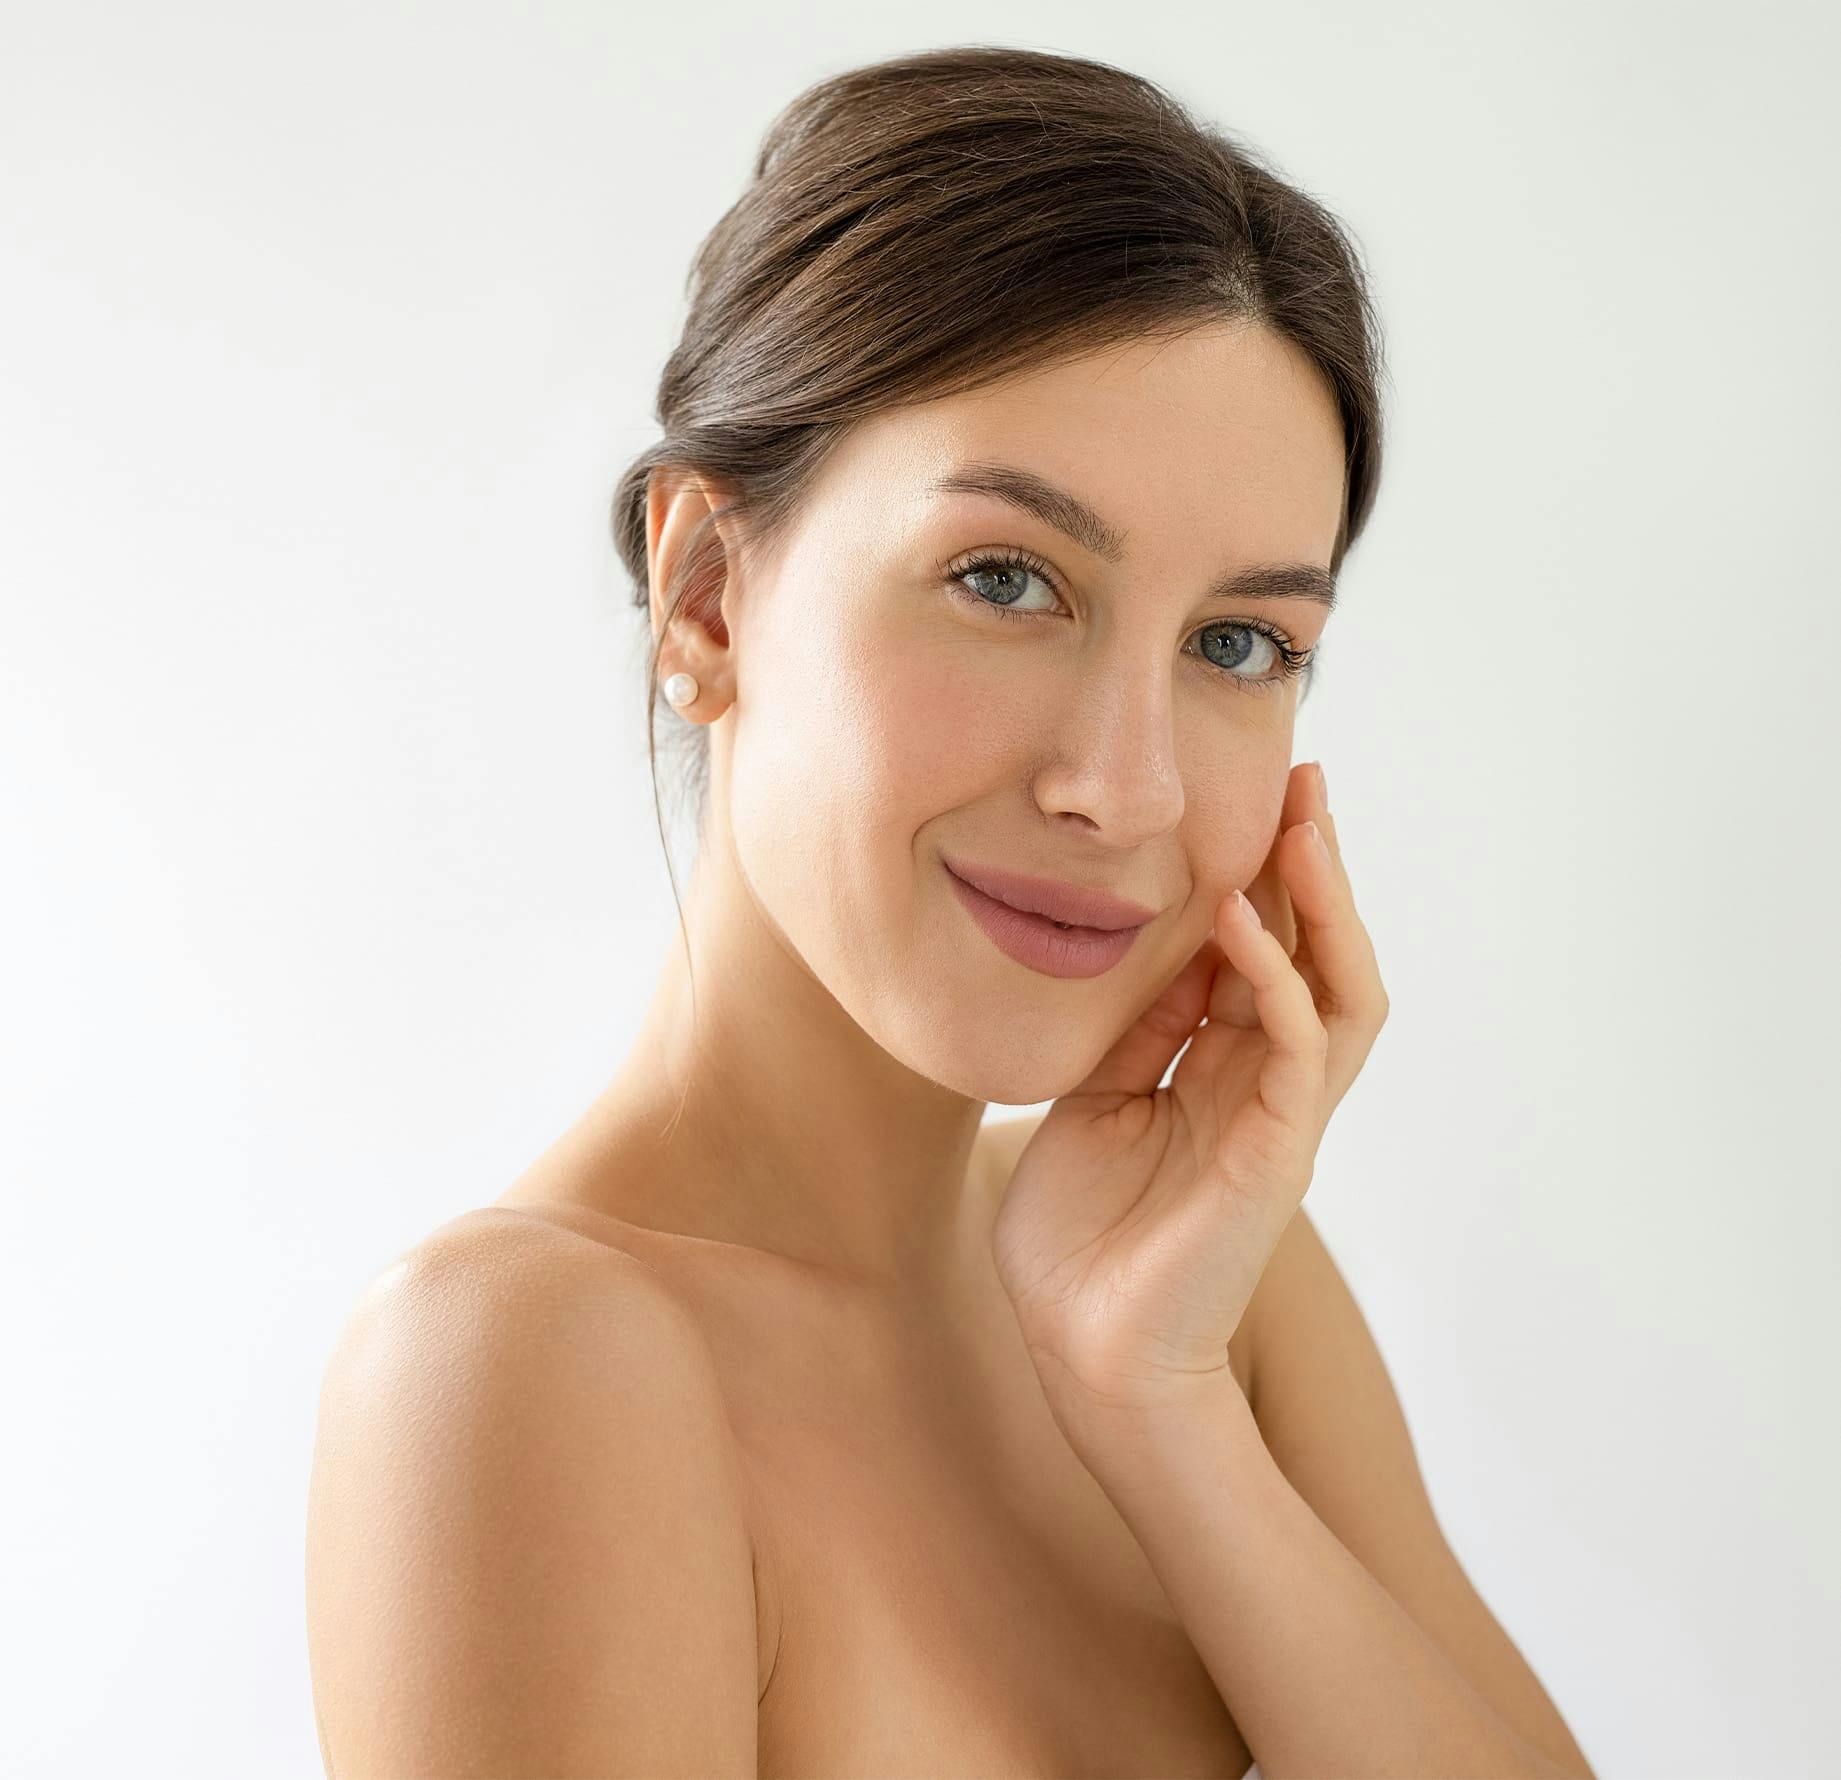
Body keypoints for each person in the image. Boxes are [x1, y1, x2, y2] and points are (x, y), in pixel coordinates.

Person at [306, 44, 1594, 1780]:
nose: (1123, 787)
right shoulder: (529, 1361)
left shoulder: (1213, 1291)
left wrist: (1157, 1410)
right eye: (1007, 579)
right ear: (704, 597)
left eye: (1239, 646)